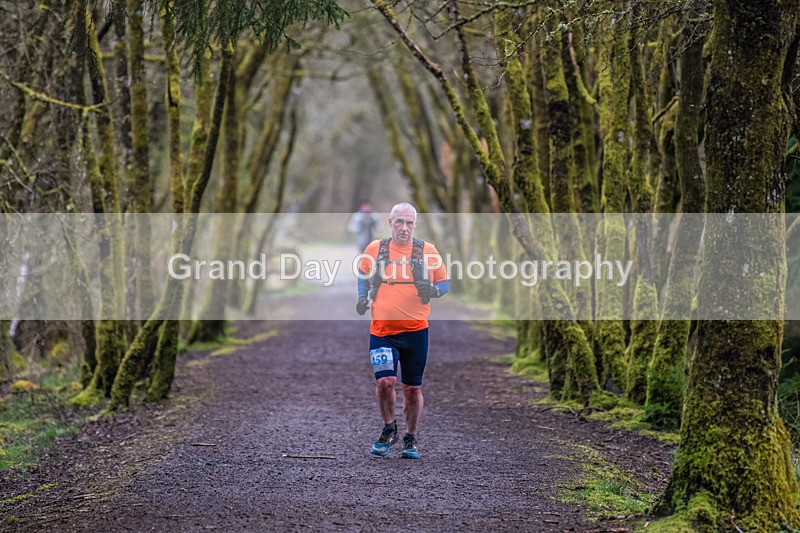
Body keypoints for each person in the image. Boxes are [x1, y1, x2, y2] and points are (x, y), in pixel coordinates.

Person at [355, 202, 450, 459]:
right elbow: (363, 275)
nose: (404, 228)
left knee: (412, 389)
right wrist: (362, 297)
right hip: (382, 331)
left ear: (415, 225)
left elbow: (444, 281)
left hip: (416, 332)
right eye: (399, 222)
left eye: (409, 223)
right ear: (390, 222)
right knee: (385, 382)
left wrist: (435, 291)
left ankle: (410, 437)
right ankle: (389, 428)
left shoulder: (427, 251)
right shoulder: (376, 249)